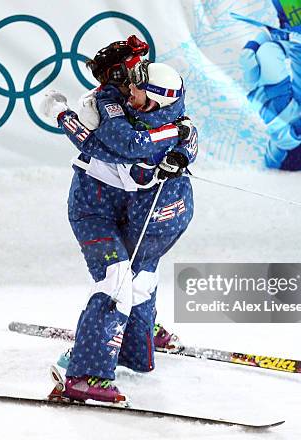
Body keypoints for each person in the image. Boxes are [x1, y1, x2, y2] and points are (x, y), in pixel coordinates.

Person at [40, 39, 198, 403]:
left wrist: (184, 147)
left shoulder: (161, 98)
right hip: (95, 206)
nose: (134, 84)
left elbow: (186, 133)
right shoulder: (110, 102)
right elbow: (127, 144)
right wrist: (63, 115)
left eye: (141, 70)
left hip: (138, 207)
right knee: (116, 280)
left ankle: (132, 338)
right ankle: (84, 373)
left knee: (142, 275)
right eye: (132, 71)